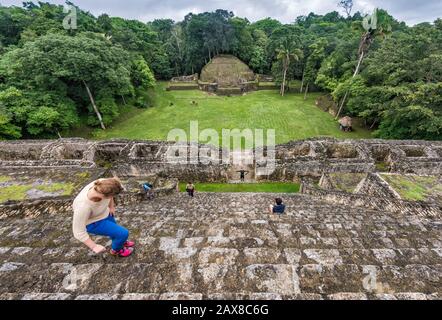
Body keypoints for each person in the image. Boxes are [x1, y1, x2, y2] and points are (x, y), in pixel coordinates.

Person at [72, 177, 135, 257]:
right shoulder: (83, 207)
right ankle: (116, 250)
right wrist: (94, 246)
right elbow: (78, 231)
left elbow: (111, 195)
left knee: (117, 232)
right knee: (123, 233)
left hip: (105, 213)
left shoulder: (103, 183)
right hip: (93, 223)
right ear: (105, 196)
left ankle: (120, 241)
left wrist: (111, 207)